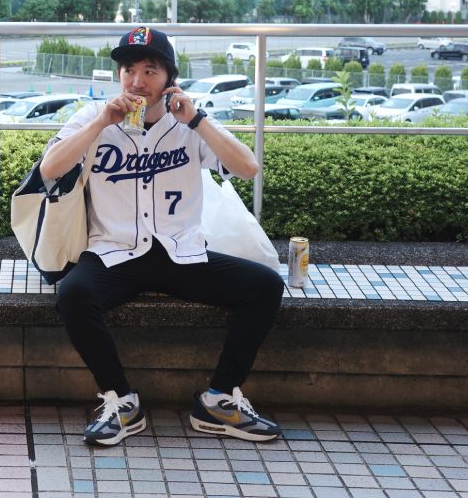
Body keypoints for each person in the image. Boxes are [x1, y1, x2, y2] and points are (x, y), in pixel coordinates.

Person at [38, 26, 285, 446]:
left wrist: (198, 119)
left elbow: (248, 168)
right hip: (114, 253)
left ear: (169, 76)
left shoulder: (189, 120)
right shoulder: (94, 118)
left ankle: (219, 399)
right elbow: (49, 169)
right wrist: (101, 122)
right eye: (129, 69)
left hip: (181, 253)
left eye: (150, 70)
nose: (137, 81)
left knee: (264, 286)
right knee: (74, 294)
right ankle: (121, 401)